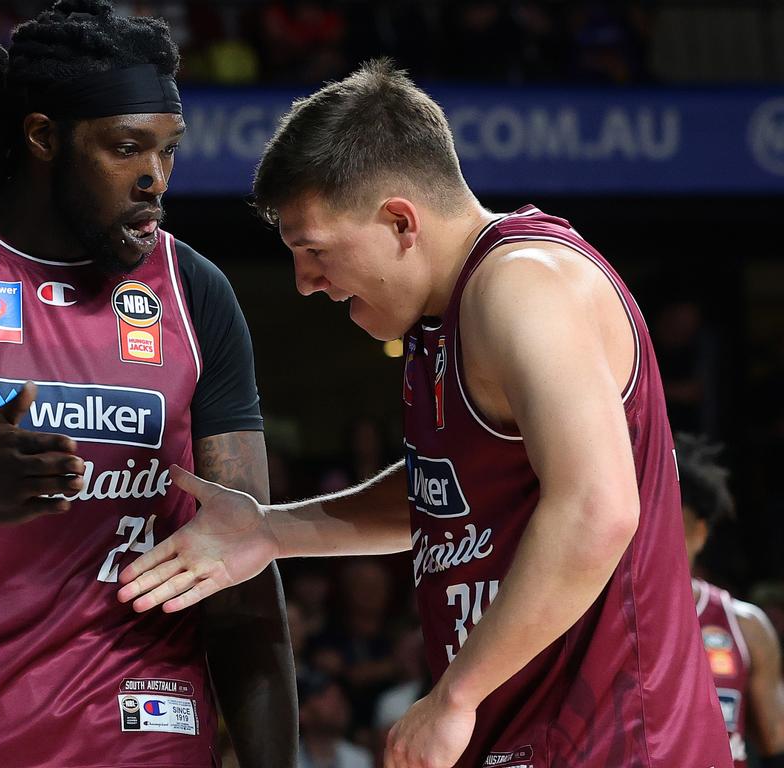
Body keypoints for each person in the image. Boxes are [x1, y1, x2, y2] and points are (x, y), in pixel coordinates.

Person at [116, 59, 733, 767]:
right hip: (532, 740)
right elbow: (445, 498)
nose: (306, 282)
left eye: (312, 249)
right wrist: (269, 531)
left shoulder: (524, 285)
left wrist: (456, 696)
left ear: (401, 221)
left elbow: (598, 509)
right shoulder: (440, 322)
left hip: (618, 745)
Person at [0, 2, 297, 767]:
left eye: (168, 151)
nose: (154, 180)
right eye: (126, 148)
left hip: (147, 734)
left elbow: (243, 579)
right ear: (43, 138)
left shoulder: (194, 291)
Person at [677, 433, 784, 767]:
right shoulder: (601, 616)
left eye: (674, 526)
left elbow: (776, 743)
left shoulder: (744, 625)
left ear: (701, 533)